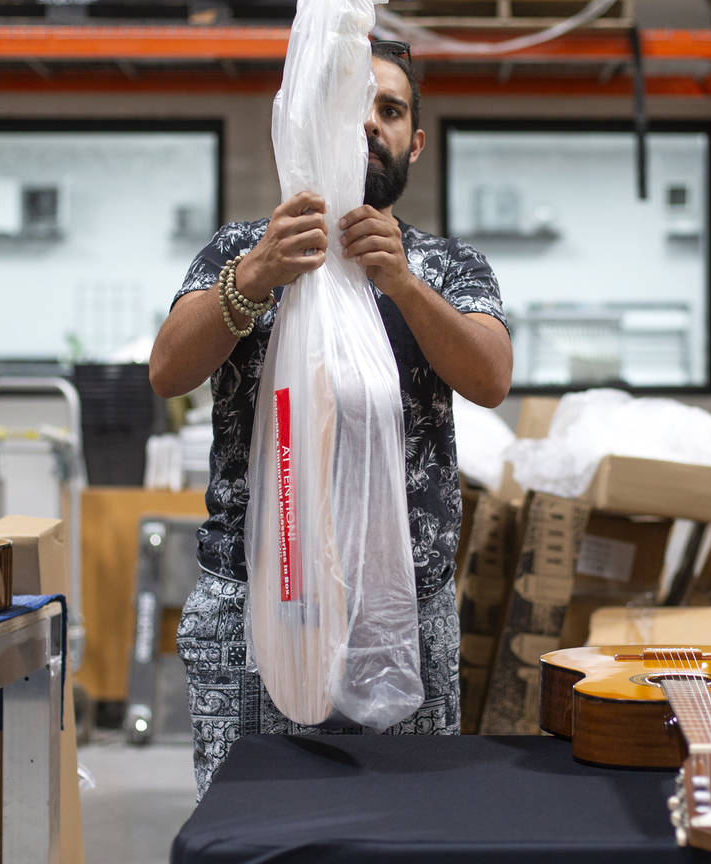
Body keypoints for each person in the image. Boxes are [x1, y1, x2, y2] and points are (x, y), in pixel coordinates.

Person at [149, 40, 512, 799]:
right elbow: (168, 371)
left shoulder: (447, 268)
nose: (370, 124)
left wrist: (403, 285)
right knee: (249, 829)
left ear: (414, 142)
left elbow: (489, 377)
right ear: (311, 121)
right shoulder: (244, 249)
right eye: (353, 106)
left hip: (402, 613)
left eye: (390, 110)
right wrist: (254, 278)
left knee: (404, 832)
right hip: (256, 607)